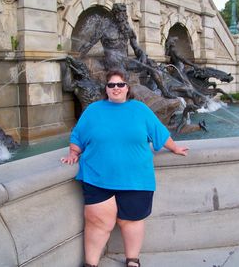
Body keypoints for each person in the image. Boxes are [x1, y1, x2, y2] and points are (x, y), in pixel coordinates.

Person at [61, 69, 188, 267]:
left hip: (136, 178)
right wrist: (73, 153)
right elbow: (78, 136)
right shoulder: (94, 110)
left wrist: (175, 147)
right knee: (97, 223)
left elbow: (159, 133)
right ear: (106, 89)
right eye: (111, 85)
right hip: (98, 177)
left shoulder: (139, 109)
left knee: (131, 221)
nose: (116, 88)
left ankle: (132, 260)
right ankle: (91, 264)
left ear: (127, 88)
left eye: (120, 84)